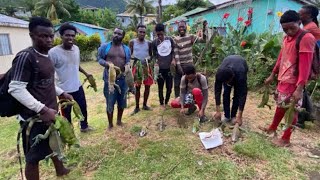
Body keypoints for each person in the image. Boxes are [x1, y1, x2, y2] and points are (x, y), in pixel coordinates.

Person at [8, 17, 72, 180]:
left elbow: (46, 82)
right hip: (34, 119)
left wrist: (61, 92)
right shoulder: (26, 57)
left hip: (50, 114)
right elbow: (15, 88)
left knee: (55, 144)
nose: (49, 39)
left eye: (51, 36)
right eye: (43, 36)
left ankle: (61, 170)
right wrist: (42, 109)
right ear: (32, 35)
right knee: (33, 158)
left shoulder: (46, 55)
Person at [263, 10, 315, 147]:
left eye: (292, 28)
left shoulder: (306, 38)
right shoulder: (286, 38)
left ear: (299, 22)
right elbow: (282, 57)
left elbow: (306, 65)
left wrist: (299, 88)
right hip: (284, 79)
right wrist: (272, 74)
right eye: (285, 29)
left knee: (292, 110)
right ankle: (272, 128)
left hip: (295, 82)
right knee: (280, 106)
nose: (289, 31)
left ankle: (286, 139)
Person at [49, 23, 94, 132]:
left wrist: (86, 74)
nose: (70, 38)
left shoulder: (76, 49)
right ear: (61, 36)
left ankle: (84, 126)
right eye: (67, 35)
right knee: (66, 113)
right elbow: (49, 73)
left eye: (73, 36)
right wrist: (56, 90)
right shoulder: (53, 52)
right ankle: (69, 132)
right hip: (63, 90)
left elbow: (75, 65)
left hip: (77, 86)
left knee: (82, 108)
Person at [98, 28, 131, 130]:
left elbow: (128, 61)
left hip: (122, 79)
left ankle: (119, 121)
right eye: (115, 33)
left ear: (123, 37)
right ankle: (110, 124)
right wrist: (106, 64)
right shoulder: (105, 47)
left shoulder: (126, 49)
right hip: (110, 80)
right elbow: (99, 59)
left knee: (122, 101)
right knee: (110, 101)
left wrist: (127, 66)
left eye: (119, 34)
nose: (116, 35)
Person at [297, 4, 320, 128]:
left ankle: (300, 119)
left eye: (301, 14)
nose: (298, 15)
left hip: (309, 63)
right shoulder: (309, 26)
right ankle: (307, 115)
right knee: (303, 88)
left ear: (309, 15)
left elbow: (295, 36)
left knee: (300, 88)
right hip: (310, 62)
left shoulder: (309, 28)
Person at [213, 55, 248, 126]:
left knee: (237, 94)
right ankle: (227, 115)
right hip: (228, 65)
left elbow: (243, 94)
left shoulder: (241, 75)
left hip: (241, 66)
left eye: (228, 82)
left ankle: (233, 115)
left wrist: (240, 116)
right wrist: (218, 111)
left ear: (232, 77)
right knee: (226, 92)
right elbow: (217, 91)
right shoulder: (220, 74)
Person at [173, 21, 202, 98]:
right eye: (180, 27)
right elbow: (176, 54)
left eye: (183, 27)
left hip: (189, 65)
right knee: (177, 84)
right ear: (178, 28)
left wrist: (204, 29)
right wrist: (179, 67)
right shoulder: (175, 39)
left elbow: (203, 40)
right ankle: (178, 100)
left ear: (186, 27)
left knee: (190, 84)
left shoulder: (191, 37)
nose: (181, 28)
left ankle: (190, 101)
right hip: (180, 65)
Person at [129, 24, 153, 115]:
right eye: (140, 32)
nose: (142, 34)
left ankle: (145, 105)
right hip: (136, 67)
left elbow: (151, 55)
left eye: (144, 32)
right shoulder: (132, 42)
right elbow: (129, 55)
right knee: (137, 87)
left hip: (146, 67)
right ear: (137, 32)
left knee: (147, 86)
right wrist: (133, 60)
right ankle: (137, 107)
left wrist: (148, 59)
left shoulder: (149, 43)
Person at [152, 23, 175, 108]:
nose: (160, 36)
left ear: (164, 32)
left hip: (169, 68)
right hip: (160, 69)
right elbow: (154, 54)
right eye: (158, 34)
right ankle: (161, 103)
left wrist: (173, 59)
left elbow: (173, 51)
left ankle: (166, 101)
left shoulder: (170, 40)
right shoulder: (154, 42)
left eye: (161, 34)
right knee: (160, 87)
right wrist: (156, 61)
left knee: (169, 87)